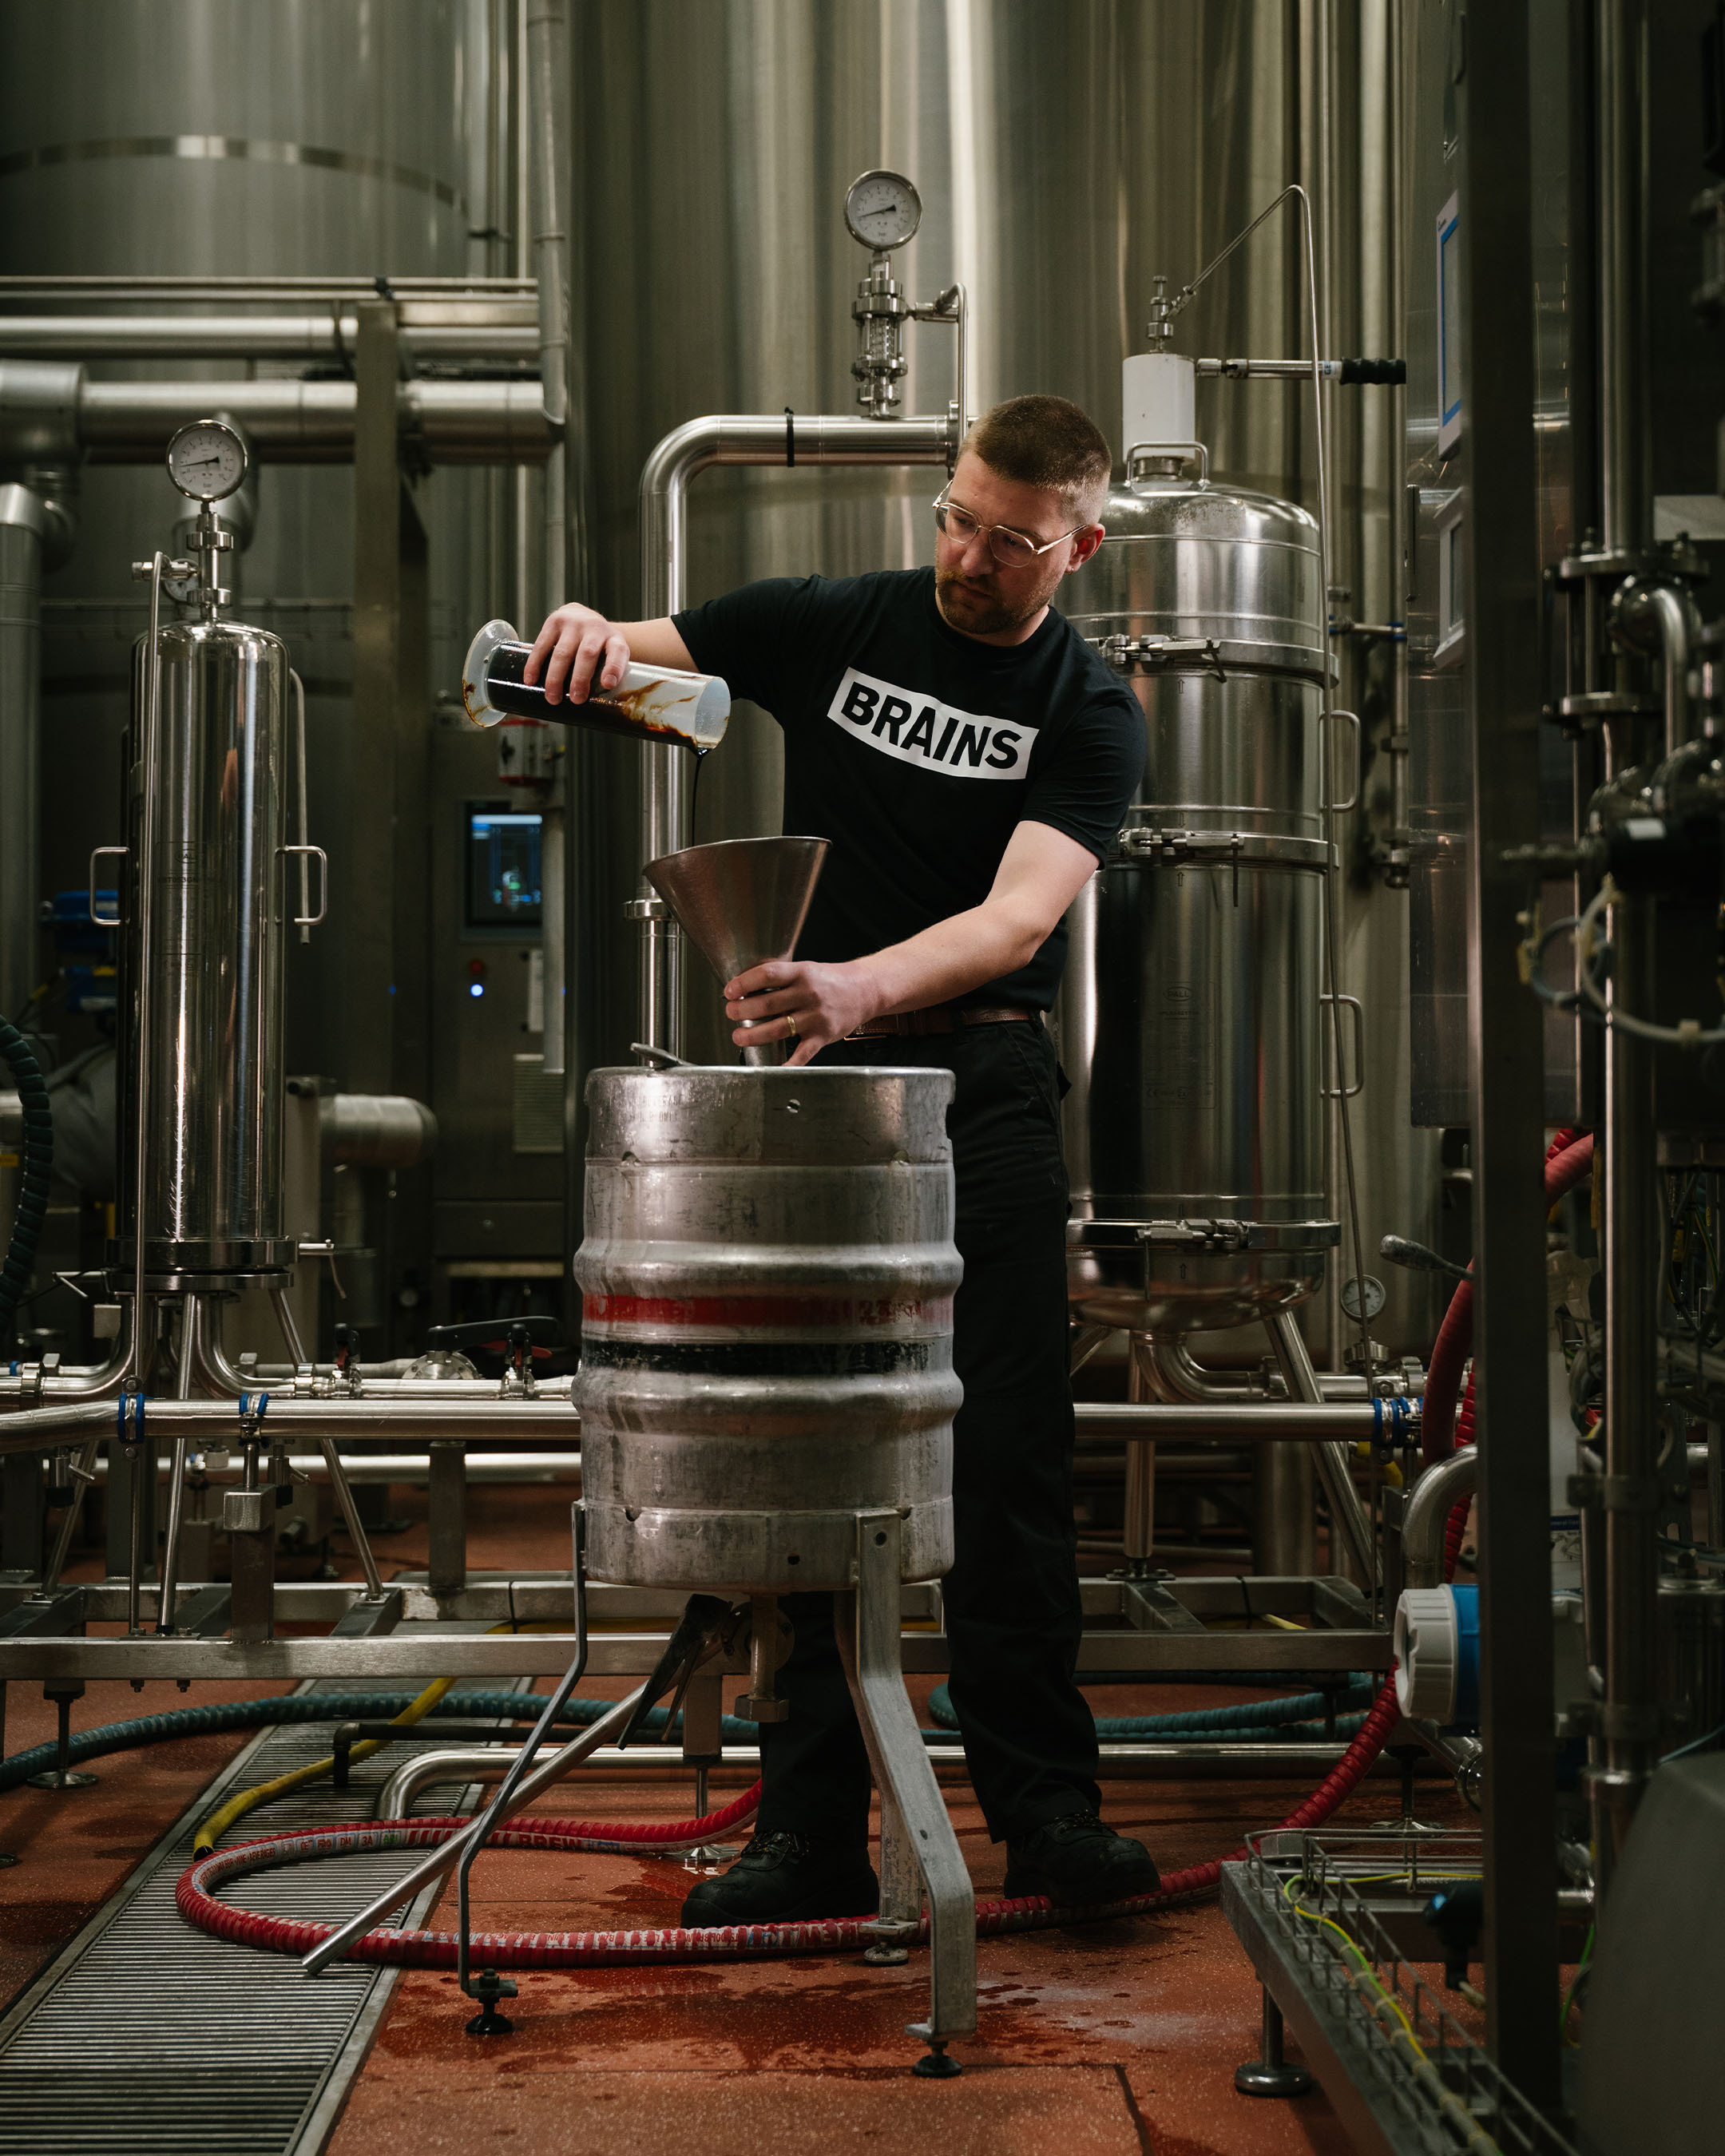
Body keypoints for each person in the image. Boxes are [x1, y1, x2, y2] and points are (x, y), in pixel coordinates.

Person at [528, 393, 1157, 1920]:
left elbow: (1019, 919)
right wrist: (572, 638)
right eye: (955, 517)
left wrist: (864, 982)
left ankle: (1047, 1813)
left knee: (1006, 1451)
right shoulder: (836, 622)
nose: (965, 557)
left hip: (983, 1078)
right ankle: (807, 1827)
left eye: (1008, 541)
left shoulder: (1091, 707)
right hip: (828, 1078)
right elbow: (633, 645)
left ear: (1077, 543)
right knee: (811, 1445)